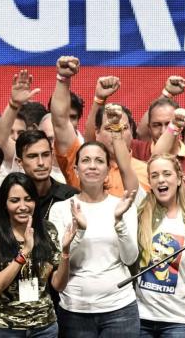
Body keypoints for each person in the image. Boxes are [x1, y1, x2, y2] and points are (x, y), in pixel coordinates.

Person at [47, 137, 140, 338]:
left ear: (108, 170)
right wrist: (79, 232)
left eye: (99, 161)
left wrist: (119, 221)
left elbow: (130, 259)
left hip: (120, 309)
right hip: (74, 309)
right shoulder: (61, 209)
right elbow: (61, 261)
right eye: (86, 160)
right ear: (76, 169)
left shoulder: (123, 206)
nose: (92, 166)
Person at [0, 172, 72, 337]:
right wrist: (25, 252)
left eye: (28, 199)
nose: (23, 206)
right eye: (15, 201)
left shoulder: (47, 230)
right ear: (4, 203)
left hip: (44, 327)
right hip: (3, 327)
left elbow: (58, 285)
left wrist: (65, 252)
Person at [135, 154, 185, 338]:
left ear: (179, 179)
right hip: (141, 318)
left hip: (180, 321)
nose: (160, 179)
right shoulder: (139, 216)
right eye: (154, 175)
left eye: (166, 174)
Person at [52, 60, 150, 196]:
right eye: (110, 128)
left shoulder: (150, 172)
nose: (118, 133)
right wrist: (63, 78)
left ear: (132, 133)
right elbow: (60, 121)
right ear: (97, 132)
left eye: (124, 128)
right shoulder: (81, 165)